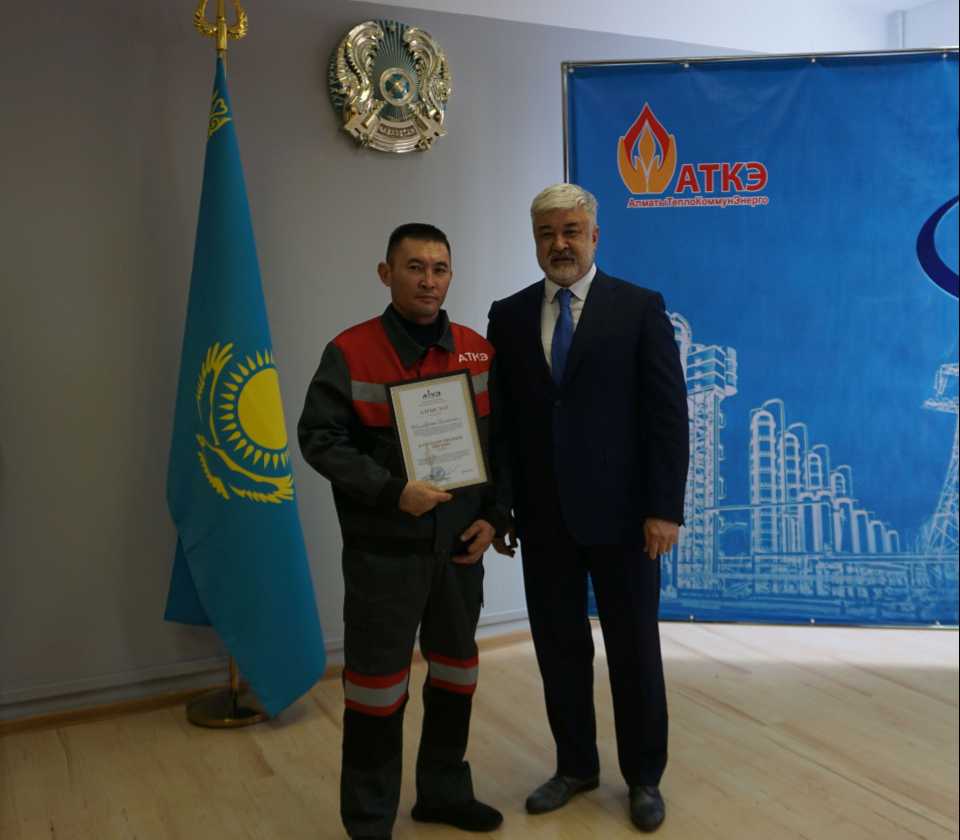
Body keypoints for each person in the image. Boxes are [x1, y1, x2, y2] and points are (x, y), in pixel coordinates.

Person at [486, 183, 689, 832]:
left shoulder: (639, 308)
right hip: (543, 519)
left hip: (627, 519)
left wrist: (664, 508)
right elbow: (503, 425)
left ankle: (644, 777)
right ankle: (575, 766)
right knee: (559, 648)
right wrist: (501, 507)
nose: (560, 244)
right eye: (547, 233)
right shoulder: (508, 316)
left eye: (571, 231)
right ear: (535, 240)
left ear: (594, 236)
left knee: (634, 650)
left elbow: (667, 416)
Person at [298, 223, 506, 840]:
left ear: (450, 276)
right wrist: (394, 491)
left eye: (439, 268)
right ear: (386, 274)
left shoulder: (478, 352)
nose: (428, 280)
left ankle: (443, 793)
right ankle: (369, 823)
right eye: (414, 267)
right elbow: (319, 440)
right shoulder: (350, 351)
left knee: (457, 674)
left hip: (460, 551)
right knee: (375, 690)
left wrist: (495, 517)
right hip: (383, 554)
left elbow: (504, 445)